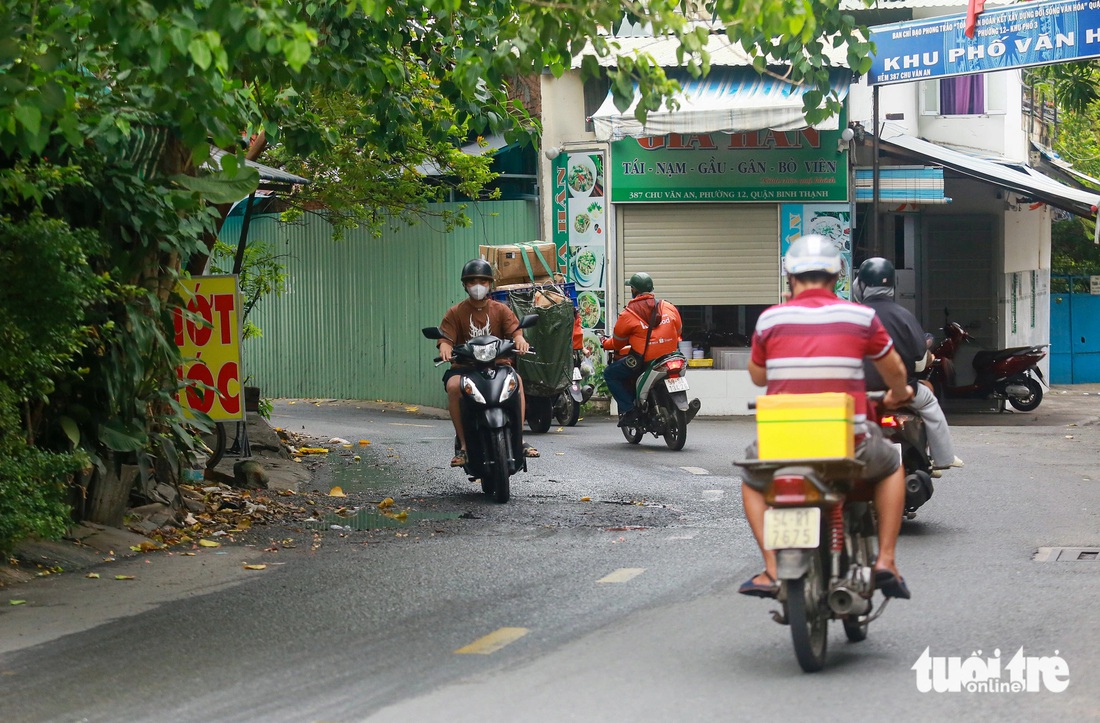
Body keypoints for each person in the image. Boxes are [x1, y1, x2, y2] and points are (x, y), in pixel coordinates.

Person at [739, 235, 915, 600]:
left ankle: (772, 568)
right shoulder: (860, 316)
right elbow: (894, 369)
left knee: (751, 482)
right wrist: (899, 394)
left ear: (790, 276)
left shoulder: (770, 319)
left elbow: (758, 377)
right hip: (848, 442)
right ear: (838, 277)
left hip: (782, 445)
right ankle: (885, 561)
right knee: (893, 465)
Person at [853, 257, 963, 473]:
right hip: (900, 391)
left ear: (862, 285)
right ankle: (943, 457)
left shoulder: (851, 315)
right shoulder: (903, 315)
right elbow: (920, 361)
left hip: (858, 392)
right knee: (930, 402)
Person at [437, 259, 538, 466]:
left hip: (498, 366)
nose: (477, 285)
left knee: (516, 381)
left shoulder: (501, 310)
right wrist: (445, 347)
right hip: (465, 368)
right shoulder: (455, 312)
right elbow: (446, 338)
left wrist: (520, 339)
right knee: (453, 386)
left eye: (483, 281)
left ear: (490, 284)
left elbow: (515, 331)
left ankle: (519, 440)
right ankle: (464, 447)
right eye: (472, 281)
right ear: (464, 285)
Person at [601, 272, 683, 427]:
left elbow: (618, 343)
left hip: (645, 361)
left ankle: (630, 410)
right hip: (670, 357)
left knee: (610, 373)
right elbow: (678, 330)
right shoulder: (668, 307)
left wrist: (605, 344)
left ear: (633, 290)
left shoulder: (628, 314)